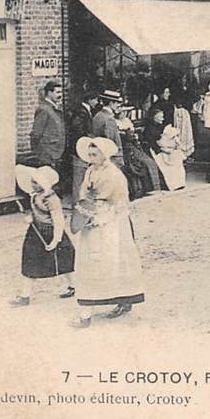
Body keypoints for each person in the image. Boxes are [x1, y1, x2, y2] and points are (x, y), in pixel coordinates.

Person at [72, 137, 146, 327]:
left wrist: (100, 217)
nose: (91, 157)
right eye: (89, 154)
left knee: (114, 260)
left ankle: (123, 298)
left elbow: (119, 203)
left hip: (112, 223)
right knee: (90, 261)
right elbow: (84, 193)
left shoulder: (114, 175)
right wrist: (85, 210)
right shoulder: (90, 171)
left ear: (104, 154)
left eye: (95, 154)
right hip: (92, 219)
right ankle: (88, 307)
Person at [9, 165, 76, 306]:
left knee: (66, 262)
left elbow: (58, 220)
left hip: (50, 233)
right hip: (35, 233)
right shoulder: (35, 195)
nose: (33, 184)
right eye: (32, 181)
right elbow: (37, 214)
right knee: (29, 261)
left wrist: (56, 239)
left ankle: (75, 286)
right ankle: (24, 295)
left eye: (36, 182)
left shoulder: (51, 199)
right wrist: (31, 218)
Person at [30, 80, 66, 182]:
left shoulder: (54, 108)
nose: (60, 95)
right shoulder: (44, 109)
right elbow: (36, 134)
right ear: (49, 93)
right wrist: (40, 153)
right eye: (57, 92)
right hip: (47, 155)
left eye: (61, 92)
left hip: (55, 153)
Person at [68, 90, 99, 202]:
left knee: (82, 176)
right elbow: (77, 129)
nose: (96, 102)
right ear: (89, 100)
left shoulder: (84, 111)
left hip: (81, 148)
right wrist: (88, 137)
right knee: (79, 177)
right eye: (95, 99)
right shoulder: (82, 112)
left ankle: (81, 200)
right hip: (80, 149)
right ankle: (77, 202)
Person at [91, 90, 125, 167]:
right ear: (111, 103)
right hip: (111, 160)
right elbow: (111, 142)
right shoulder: (109, 119)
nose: (118, 105)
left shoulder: (97, 116)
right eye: (117, 103)